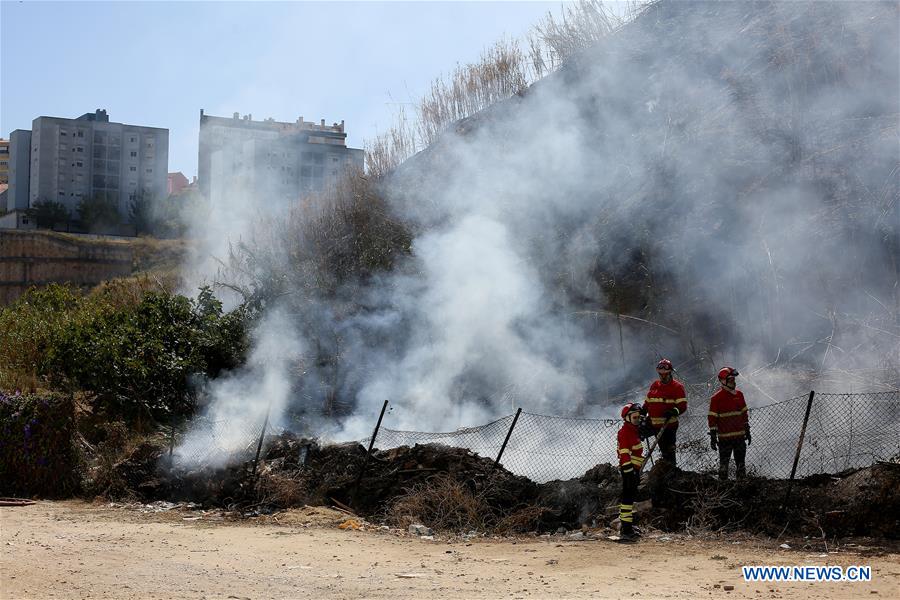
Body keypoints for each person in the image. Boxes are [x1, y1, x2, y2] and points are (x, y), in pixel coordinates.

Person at [642, 358, 687, 465]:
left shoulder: (677, 387)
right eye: (660, 374)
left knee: (668, 451)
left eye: (665, 374)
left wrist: (674, 411)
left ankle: (671, 469)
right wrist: (643, 411)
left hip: (668, 426)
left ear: (670, 372)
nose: (662, 376)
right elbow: (648, 401)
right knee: (636, 434)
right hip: (654, 424)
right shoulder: (655, 385)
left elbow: (682, 406)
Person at [708, 367, 750, 480]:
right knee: (723, 467)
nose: (733, 382)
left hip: (739, 437)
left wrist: (747, 429)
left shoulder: (739, 395)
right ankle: (722, 486)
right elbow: (712, 418)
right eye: (731, 379)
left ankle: (742, 486)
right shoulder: (716, 398)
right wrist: (713, 435)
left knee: (741, 465)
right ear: (723, 381)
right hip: (724, 439)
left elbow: (744, 414)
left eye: (734, 379)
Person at [617, 402, 645, 542]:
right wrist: (630, 473)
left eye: (638, 417)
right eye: (635, 418)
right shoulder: (625, 432)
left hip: (634, 470)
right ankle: (626, 529)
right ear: (627, 418)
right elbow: (624, 455)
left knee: (629, 498)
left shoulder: (633, 430)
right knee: (627, 500)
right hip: (629, 470)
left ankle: (628, 526)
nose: (637, 420)